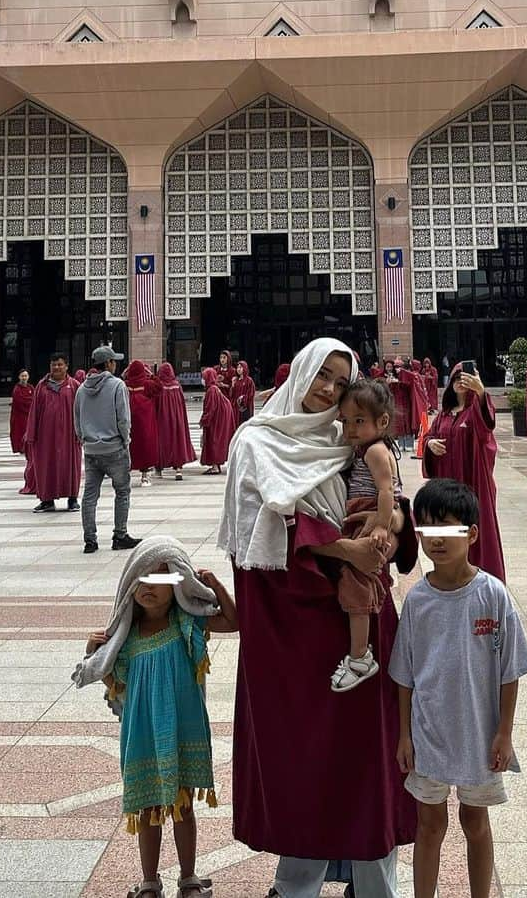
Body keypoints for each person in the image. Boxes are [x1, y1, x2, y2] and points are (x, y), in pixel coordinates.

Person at [218, 338, 416, 897]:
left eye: (339, 378)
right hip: (291, 627)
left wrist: (390, 529)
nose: (328, 389)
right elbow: (259, 534)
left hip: (358, 623)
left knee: (365, 759)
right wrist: (340, 550)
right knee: (301, 758)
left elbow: (388, 501)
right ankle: (296, 884)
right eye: (321, 375)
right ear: (301, 371)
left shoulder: (346, 436)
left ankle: (375, 884)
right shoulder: (257, 441)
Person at [391, 478, 527, 898]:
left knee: (476, 821)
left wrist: (505, 733)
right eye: (427, 530)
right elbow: (405, 675)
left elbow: (511, 672)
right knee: (430, 824)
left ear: (471, 533)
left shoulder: (493, 596)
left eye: (448, 529)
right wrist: (404, 735)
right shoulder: (417, 600)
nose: (437, 540)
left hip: (480, 736)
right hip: (428, 735)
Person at [74, 536, 238, 898]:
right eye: (142, 580)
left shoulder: (188, 625)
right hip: (143, 733)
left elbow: (233, 620)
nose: (149, 588)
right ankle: (150, 881)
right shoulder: (125, 639)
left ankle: (188, 878)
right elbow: (115, 682)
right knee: (148, 809)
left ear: (177, 587)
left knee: (183, 806)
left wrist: (214, 586)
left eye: (161, 581)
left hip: (183, 730)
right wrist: (93, 652)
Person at [332, 379, 402, 693]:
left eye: (359, 421)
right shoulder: (370, 447)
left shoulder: (374, 450)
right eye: (345, 421)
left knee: (354, 583)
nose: (350, 428)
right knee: (362, 577)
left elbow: (387, 491)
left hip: (372, 515)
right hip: (367, 514)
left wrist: (381, 527)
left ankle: (360, 656)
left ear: (382, 421)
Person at [422, 363, 505, 580]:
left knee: (472, 532)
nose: (461, 380)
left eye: (466, 376)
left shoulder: (475, 410)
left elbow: (487, 427)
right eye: (457, 376)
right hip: (447, 484)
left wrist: (480, 391)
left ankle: (480, 580)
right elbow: (429, 436)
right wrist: (430, 444)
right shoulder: (444, 414)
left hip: (473, 484)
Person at [75, 345, 140, 555]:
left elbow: (77, 419)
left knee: (89, 495)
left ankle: (90, 540)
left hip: (91, 449)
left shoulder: (81, 389)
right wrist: (126, 439)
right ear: (108, 363)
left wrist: (84, 439)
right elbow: (123, 418)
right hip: (114, 448)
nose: (116, 364)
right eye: (114, 361)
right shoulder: (117, 385)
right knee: (122, 492)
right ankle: (120, 535)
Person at [25, 353, 81, 512]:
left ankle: (72, 499)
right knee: (45, 467)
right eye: (53, 364)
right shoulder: (41, 387)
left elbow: (81, 411)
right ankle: (47, 500)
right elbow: (34, 411)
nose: (56, 367)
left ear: (67, 366)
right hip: (45, 437)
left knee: (70, 466)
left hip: (69, 436)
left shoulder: (75, 386)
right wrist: (31, 434)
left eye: (60, 364)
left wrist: (82, 433)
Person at [154, 363, 195, 483]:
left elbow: (155, 404)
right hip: (177, 420)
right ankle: (178, 469)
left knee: (162, 442)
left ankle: (159, 469)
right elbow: (182, 405)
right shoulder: (177, 386)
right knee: (177, 441)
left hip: (162, 420)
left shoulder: (159, 386)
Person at [124, 360, 160, 485]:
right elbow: (159, 386)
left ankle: (126, 475)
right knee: (145, 447)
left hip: (129, 423)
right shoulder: (147, 384)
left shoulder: (125, 384)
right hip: (145, 423)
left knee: (129, 448)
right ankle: (144, 476)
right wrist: (151, 374)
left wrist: (124, 374)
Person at [200, 367, 236, 475]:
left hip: (217, 421)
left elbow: (210, 408)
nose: (202, 380)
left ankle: (215, 466)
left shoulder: (212, 390)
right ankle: (216, 465)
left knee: (214, 440)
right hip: (220, 419)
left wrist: (204, 420)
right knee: (216, 441)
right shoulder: (214, 389)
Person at [9, 370, 35, 494]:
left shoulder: (31, 387)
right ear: (19, 377)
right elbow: (20, 402)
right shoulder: (17, 390)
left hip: (30, 416)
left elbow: (34, 400)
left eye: (26, 375)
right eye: (22, 375)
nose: (24, 377)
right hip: (20, 417)